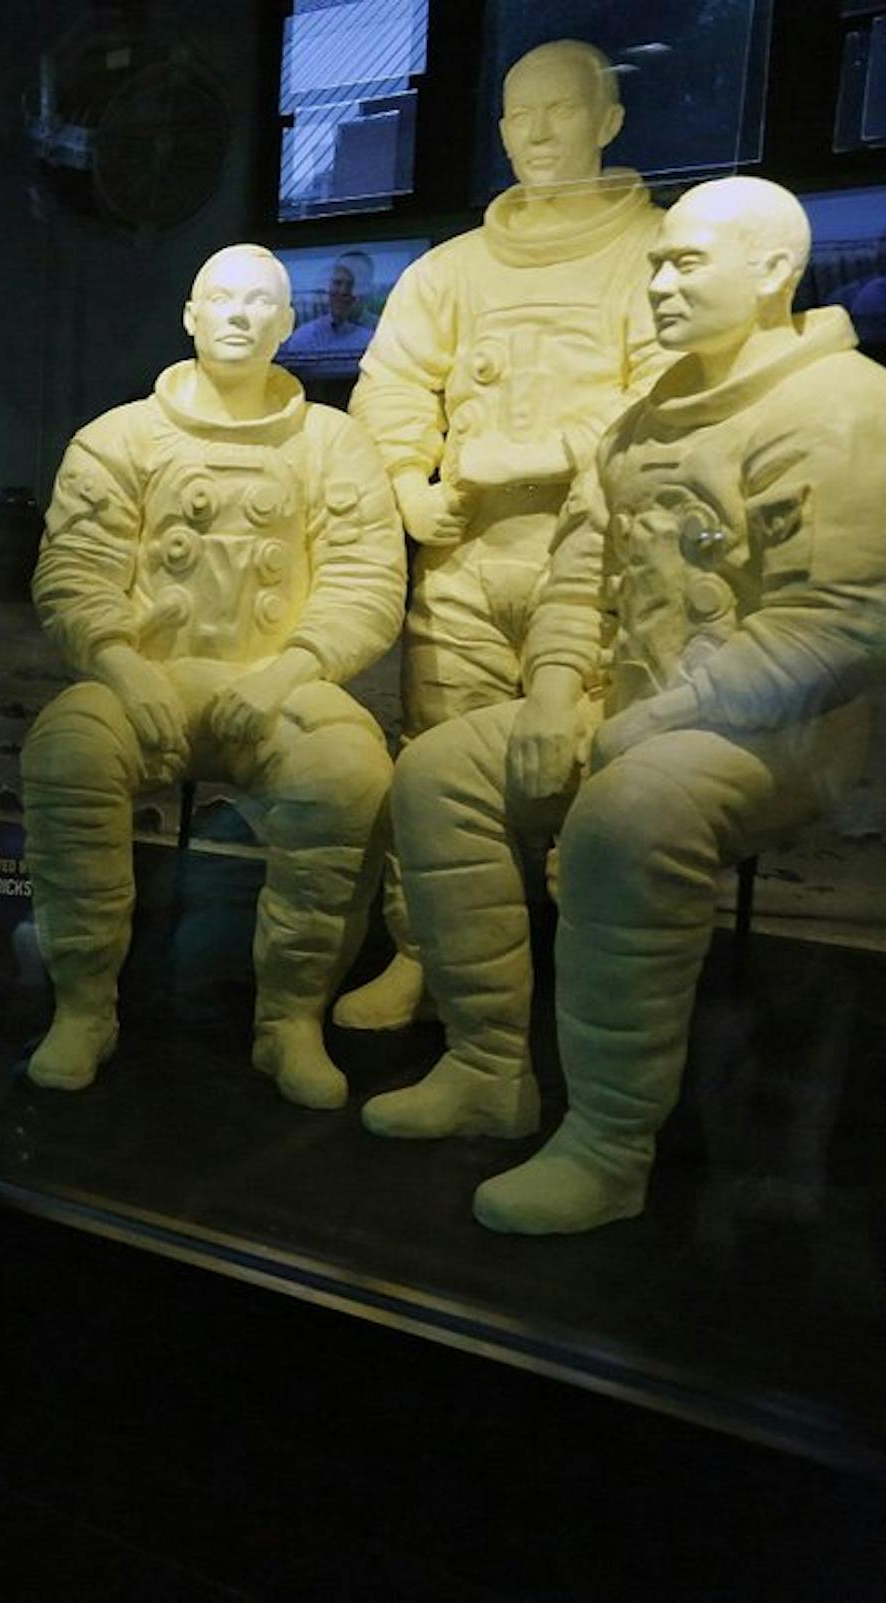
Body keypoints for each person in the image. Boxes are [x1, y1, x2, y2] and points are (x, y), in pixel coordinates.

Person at [378, 177, 886, 1233]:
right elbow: (580, 571)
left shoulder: (843, 405)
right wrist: (556, 690)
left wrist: (640, 726)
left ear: (773, 271)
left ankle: (609, 1144)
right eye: (656, 262)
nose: (658, 281)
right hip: (635, 707)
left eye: (686, 263)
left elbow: (836, 625)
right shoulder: (641, 418)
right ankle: (487, 1069)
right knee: (437, 773)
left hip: (779, 735)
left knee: (629, 814)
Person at [20, 244, 405, 1105]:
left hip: (281, 691)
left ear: (289, 324)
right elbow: (76, 570)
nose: (238, 315)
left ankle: (289, 1020)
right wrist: (122, 664)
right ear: (189, 316)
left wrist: (287, 674)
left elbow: (365, 582)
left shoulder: (334, 445)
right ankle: (84, 1005)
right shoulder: (118, 438)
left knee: (350, 776)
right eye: (219, 299)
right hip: (141, 686)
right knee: (68, 753)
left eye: (259, 302)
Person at [337, 39, 669, 1032]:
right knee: (434, 762)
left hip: (605, 562)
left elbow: (668, 399)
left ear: (607, 121)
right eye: (520, 113)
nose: (536, 131)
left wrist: (525, 455)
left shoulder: (656, 254)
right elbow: (392, 381)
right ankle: (427, 953)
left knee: (594, 767)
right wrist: (403, 480)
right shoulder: (453, 271)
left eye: (561, 110)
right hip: (467, 557)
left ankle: (587, 974)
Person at [277, 250, 376, 370]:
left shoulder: (380, 336)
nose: (343, 291)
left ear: (367, 288)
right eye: (337, 283)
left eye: (352, 284)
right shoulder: (303, 338)